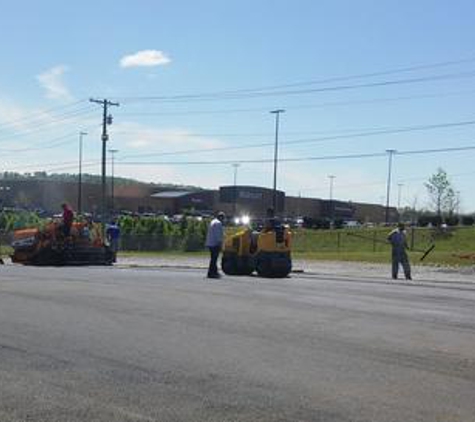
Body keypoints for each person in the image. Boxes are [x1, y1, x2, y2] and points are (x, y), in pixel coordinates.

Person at [205, 211, 225, 278]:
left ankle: (215, 272)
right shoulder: (218, 223)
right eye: (223, 218)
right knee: (214, 259)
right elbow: (218, 235)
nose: (223, 220)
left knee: (213, 258)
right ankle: (211, 273)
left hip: (210, 243)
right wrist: (220, 244)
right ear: (221, 217)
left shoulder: (213, 221)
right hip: (215, 244)